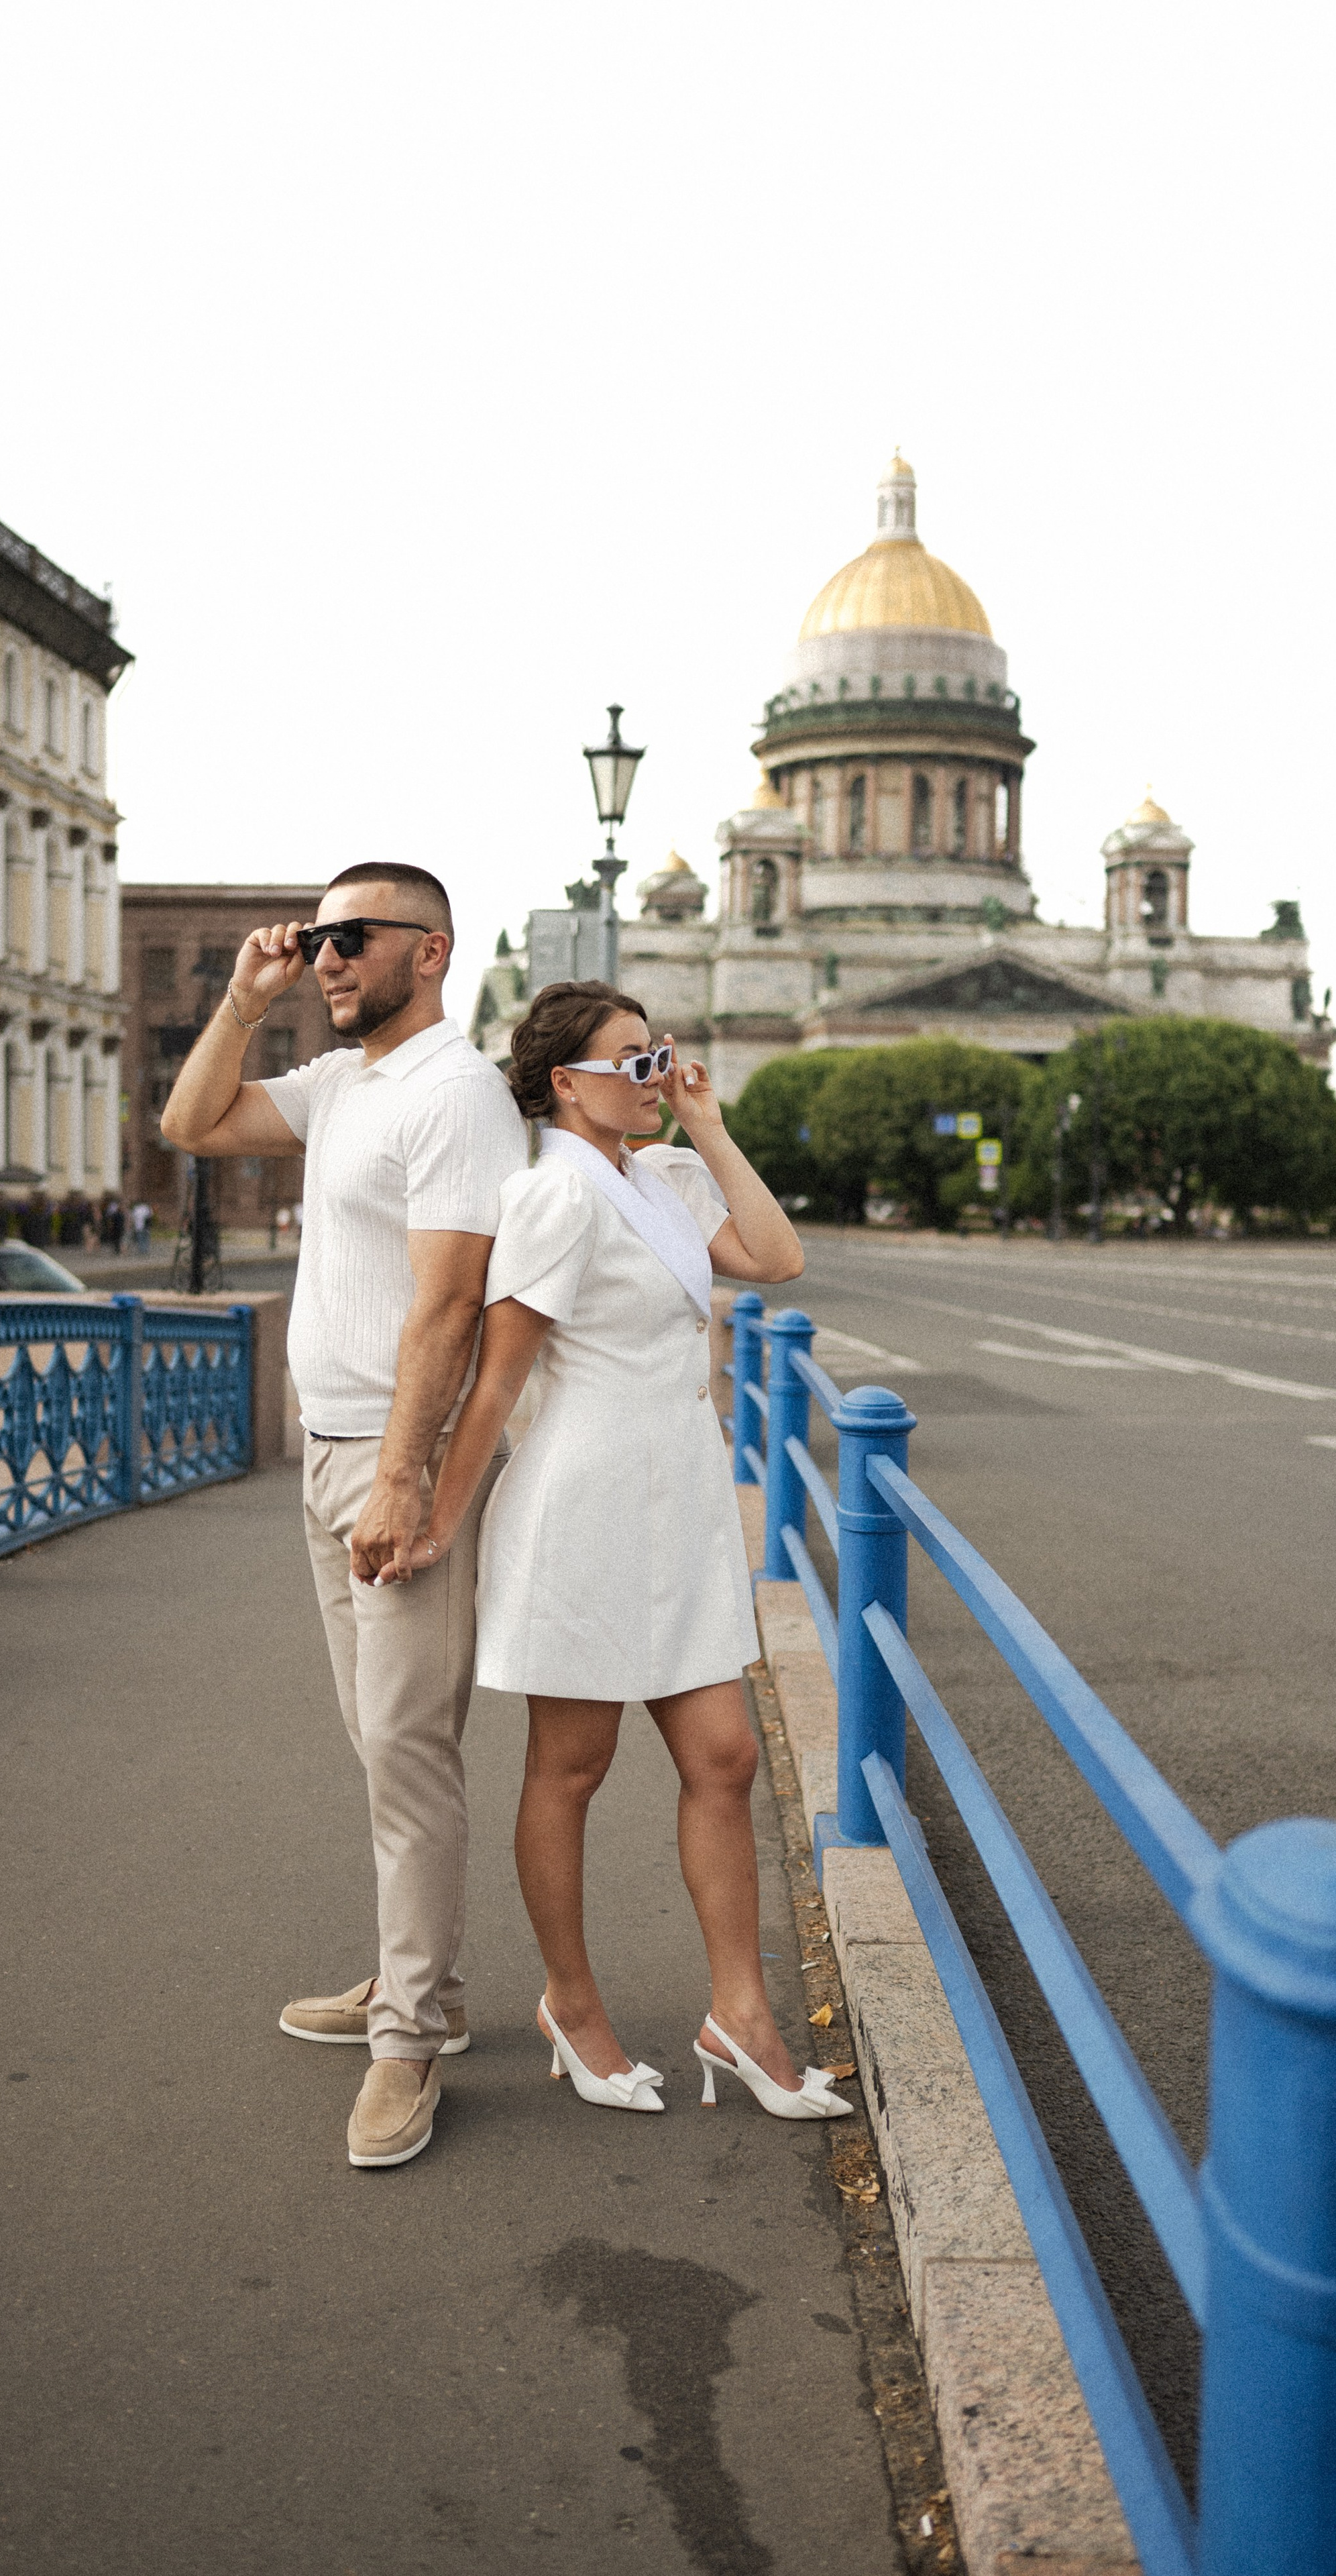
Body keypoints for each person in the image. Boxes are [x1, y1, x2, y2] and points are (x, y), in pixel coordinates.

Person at [380, 981, 852, 2124]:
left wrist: (708, 1125)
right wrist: (438, 1515)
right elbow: (497, 1381)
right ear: (565, 1083)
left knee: (726, 1758)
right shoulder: (551, 1199)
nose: (655, 1073)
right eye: (632, 1060)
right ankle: (572, 2005)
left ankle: (738, 2017)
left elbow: (778, 1260)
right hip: (582, 1503)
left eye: (661, 1053)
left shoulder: (676, 1181)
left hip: (681, 1497)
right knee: (573, 1768)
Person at [159, 864, 525, 2170]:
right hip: (328, 1454)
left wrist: (404, 1476)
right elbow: (193, 1126)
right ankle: (405, 1976)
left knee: (406, 1745)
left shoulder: (457, 1094)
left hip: (392, 1458)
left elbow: (446, 1305)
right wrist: (242, 1000)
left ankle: (411, 2036)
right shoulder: (344, 1086)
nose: (321, 957)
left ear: (427, 951)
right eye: (311, 939)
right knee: (380, 1747)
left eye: (345, 939)